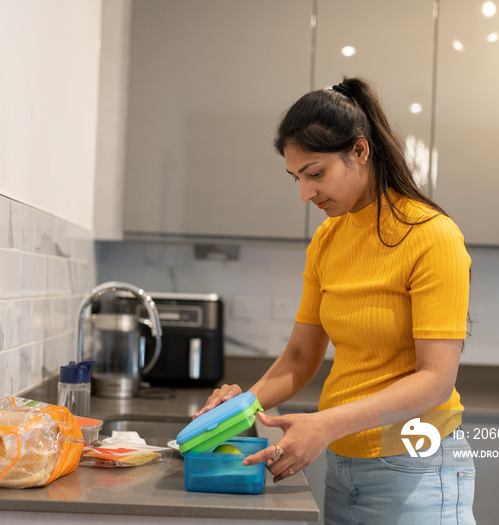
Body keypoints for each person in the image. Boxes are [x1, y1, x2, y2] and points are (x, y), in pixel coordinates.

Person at [194, 77, 476, 524]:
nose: (306, 193)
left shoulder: (432, 237)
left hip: (414, 469)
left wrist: (324, 425)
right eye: (297, 178)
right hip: (344, 465)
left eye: (316, 173)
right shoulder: (329, 238)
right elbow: (300, 357)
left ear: (360, 151)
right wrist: (241, 407)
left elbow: (436, 380)